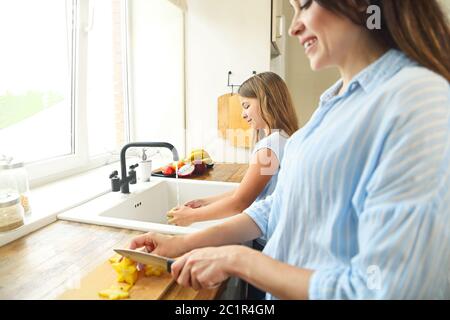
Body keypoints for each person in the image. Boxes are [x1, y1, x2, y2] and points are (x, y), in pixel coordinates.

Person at [130, 0, 450, 299]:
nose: (295, 27)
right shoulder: (334, 102)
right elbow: (278, 208)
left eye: (305, 4)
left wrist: (239, 260)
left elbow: (388, 288)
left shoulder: (416, 100)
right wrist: (180, 243)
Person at [166, 72, 299, 227]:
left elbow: (240, 203)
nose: (243, 114)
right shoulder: (284, 138)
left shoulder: (268, 148)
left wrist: (192, 216)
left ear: (266, 101)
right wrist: (205, 202)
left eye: (246, 106)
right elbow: (250, 192)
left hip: (265, 234)